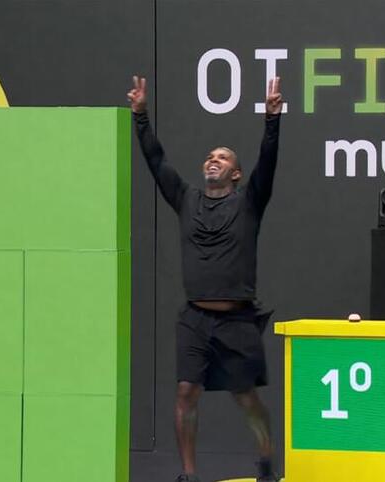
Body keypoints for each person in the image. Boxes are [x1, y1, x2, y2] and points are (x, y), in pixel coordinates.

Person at [127, 75, 283, 482]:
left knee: (245, 397)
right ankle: (189, 475)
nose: (214, 160)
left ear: (236, 174)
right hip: (194, 318)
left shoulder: (249, 202)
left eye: (224, 157)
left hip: (237, 320)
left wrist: (272, 120)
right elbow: (157, 162)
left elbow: (268, 162)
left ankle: (266, 457)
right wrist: (140, 117)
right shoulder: (186, 198)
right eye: (210, 156)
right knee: (185, 392)